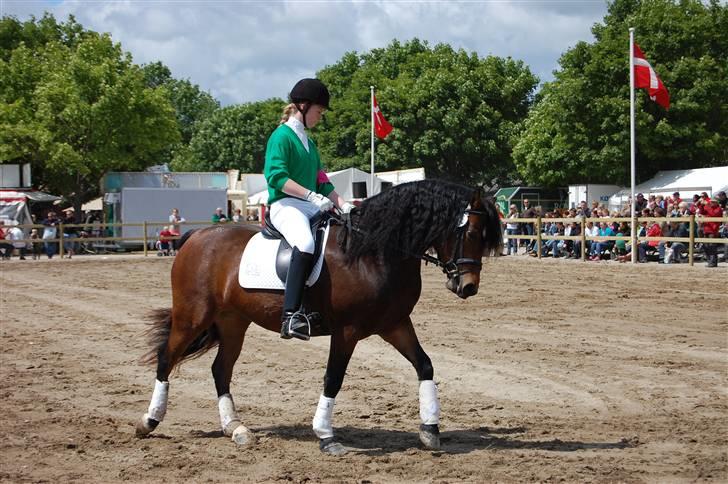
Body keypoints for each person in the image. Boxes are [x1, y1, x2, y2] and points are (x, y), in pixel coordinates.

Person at [264, 78, 354, 341]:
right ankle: (290, 315)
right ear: (302, 106)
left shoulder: (309, 143)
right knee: (304, 243)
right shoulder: (281, 137)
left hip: (308, 203)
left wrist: (342, 203)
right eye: (319, 111)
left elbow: (321, 180)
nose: (320, 117)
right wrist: (311, 196)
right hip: (285, 204)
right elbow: (276, 177)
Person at [699, 197, 723, 267]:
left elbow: (714, 214)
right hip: (706, 229)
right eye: (711, 202)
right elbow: (702, 212)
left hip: (713, 230)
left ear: (716, 202)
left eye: (713, 202)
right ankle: (709, 261)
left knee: (712, 246)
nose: (711, 203)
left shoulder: (719, 209)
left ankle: (713, 262)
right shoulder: (709, 207)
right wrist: (701, 205)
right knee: (706, 246)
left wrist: (707, 205)